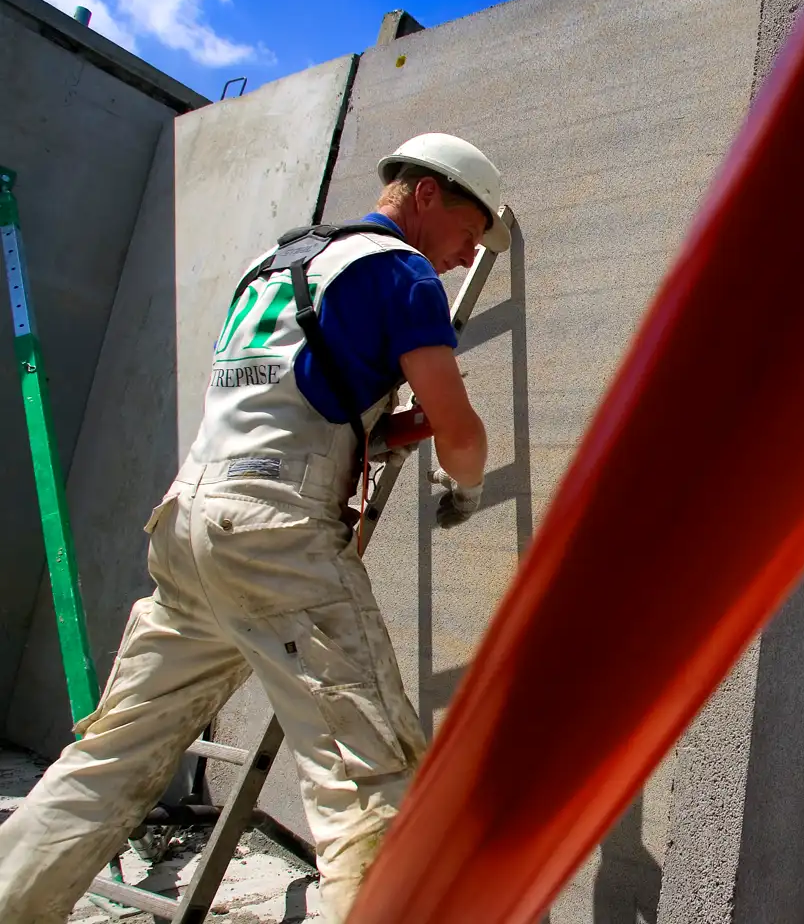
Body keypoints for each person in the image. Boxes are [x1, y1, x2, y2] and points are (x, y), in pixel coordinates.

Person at [0, 132, 509, 923]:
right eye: (469, 232)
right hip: (277, 535)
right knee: (367, 779)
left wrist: (381, 429)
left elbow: (293, 396)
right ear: (426, 194)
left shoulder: (275, 264)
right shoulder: (401, 271)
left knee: (108, 758)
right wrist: (465, 483)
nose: (465, 255)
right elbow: (462, 436)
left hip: (190, 524)